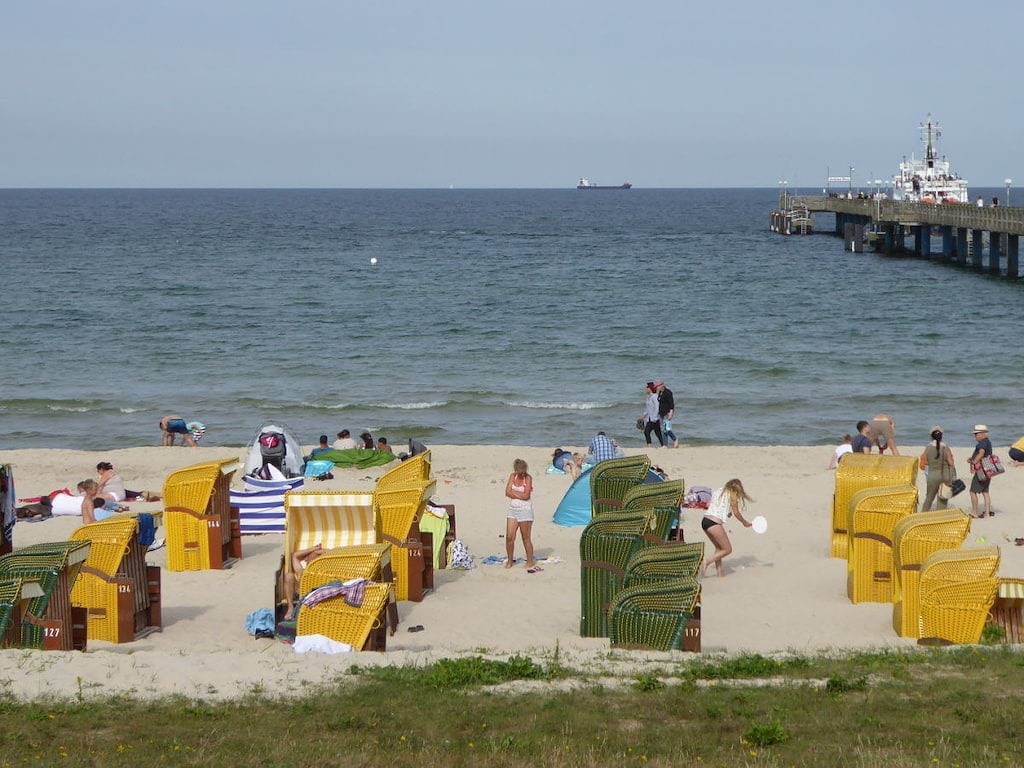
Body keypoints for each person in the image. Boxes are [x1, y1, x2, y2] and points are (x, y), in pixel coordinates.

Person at [700, 479, 753, 577]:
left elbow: (717, 506)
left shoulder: (719, 491)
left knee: (719, 548)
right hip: (714, 523)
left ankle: (720, 574)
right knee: (728, 549)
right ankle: (707, 562)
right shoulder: (733, 494)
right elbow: (736, 513)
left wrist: (727, 513)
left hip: (705, 521)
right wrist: (745, 523)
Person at [504, 459, 536, 570]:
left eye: (524, 471)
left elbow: (526, 496)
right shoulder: (513, 476)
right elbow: (507, 492)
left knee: (525, 537)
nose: (522, 473)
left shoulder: (528, 478)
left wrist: (513, 494)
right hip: (513, 510)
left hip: (525, 510)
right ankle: (509, 560)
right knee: (509, 537)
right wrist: (519, 494)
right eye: (520, 471)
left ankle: (530, 561)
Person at [919, 426, 956, 512]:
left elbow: (923, 464)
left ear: (931, 436)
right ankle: (939, 517)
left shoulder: (928, 448)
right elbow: (951, 463)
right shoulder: (946, 447)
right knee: (943, 499)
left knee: (929, 498)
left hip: (932, 476)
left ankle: (923, 516)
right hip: (945, 476)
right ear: (942, 436)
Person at [282, 543, 324, 620]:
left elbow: (332, 552)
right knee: (289, 576)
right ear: (306, 560)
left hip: (313, 596)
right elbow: (295, 555)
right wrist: (313, 548)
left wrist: (319, 552)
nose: (313, 558)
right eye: (310, 557)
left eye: (316, 557)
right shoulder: (301, 571)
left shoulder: (321, 571)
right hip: (299, 594)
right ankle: (290, 608)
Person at [968, 425, 994, 518]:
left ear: (982, 434)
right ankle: (987, 512)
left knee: (972, 491)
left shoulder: (982, 443)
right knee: (985, 492)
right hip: (988, 470)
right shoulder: (988, 442)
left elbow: (981, 453)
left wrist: (974, 462)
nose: (975, 436)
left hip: (981, 470)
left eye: (976, 434)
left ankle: (975, 512)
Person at [656, 381, 679, 448]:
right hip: (661, 413)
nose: (657, 387)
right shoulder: (660, 392)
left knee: (667, 429)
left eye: (658, 386)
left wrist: (671, 413)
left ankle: (675, 439)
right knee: (664, 429)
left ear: (662, 385)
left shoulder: (668, 392)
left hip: (667, 413)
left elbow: (672, 404)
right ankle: (665, 445)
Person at [642, 382, 665, 447]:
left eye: (647, 388)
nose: (646, 389)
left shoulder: (654, 396)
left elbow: (657, 407)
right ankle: (663, 445)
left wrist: (655, 417)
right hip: (650, 418)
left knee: (646, 431)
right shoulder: (648, 397)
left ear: (650, 389)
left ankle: (649, 445)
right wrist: (643, 416)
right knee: (658, 433)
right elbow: (647, 408)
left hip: (654, 418)